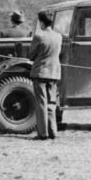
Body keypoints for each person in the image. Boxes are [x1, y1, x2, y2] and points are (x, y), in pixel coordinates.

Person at [28, 10, 62, 140]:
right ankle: (53, 132)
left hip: (40, 72)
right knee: (51, 102)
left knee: (41, 102)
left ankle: (43, 134)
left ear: (41, 22)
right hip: (54, 73)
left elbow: (31, 56)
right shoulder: (58, 36)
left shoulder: (38, 36)